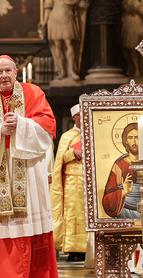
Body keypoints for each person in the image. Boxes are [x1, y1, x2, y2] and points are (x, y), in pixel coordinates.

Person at [0, 55, 58, 277]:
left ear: (16, 72)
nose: (4, 75)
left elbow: (48, 126)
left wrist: (22, 124)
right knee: (3, 226)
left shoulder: (34, 93)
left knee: (32, 221)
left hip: (28, 169)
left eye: (8, 71)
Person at [50, 104, 87, 262]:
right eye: (80, 115)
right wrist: (72, 153)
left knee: (87, 216)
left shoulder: (92, 133)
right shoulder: (67, 136)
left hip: (88, 181)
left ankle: (88, 248)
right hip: (71, 181)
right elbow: (60, 160)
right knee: (72, 215)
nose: (83, 117)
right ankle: (73, 249)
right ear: (74, 117)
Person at [40, 0, 89, 81]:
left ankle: (71, 71)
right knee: (57, 46)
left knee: (69, 43)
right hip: (54, 18)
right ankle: (62, 71)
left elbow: (82, 5)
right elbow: (48, 8)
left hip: (67, 17)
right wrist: (44, 22)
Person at [102, 122, 141, 218]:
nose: (134, 141)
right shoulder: (119, 166)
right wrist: (123, 192)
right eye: (130, 138)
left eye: (137, 137)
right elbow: (107, 198)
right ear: (126, 141)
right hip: (125, 212)